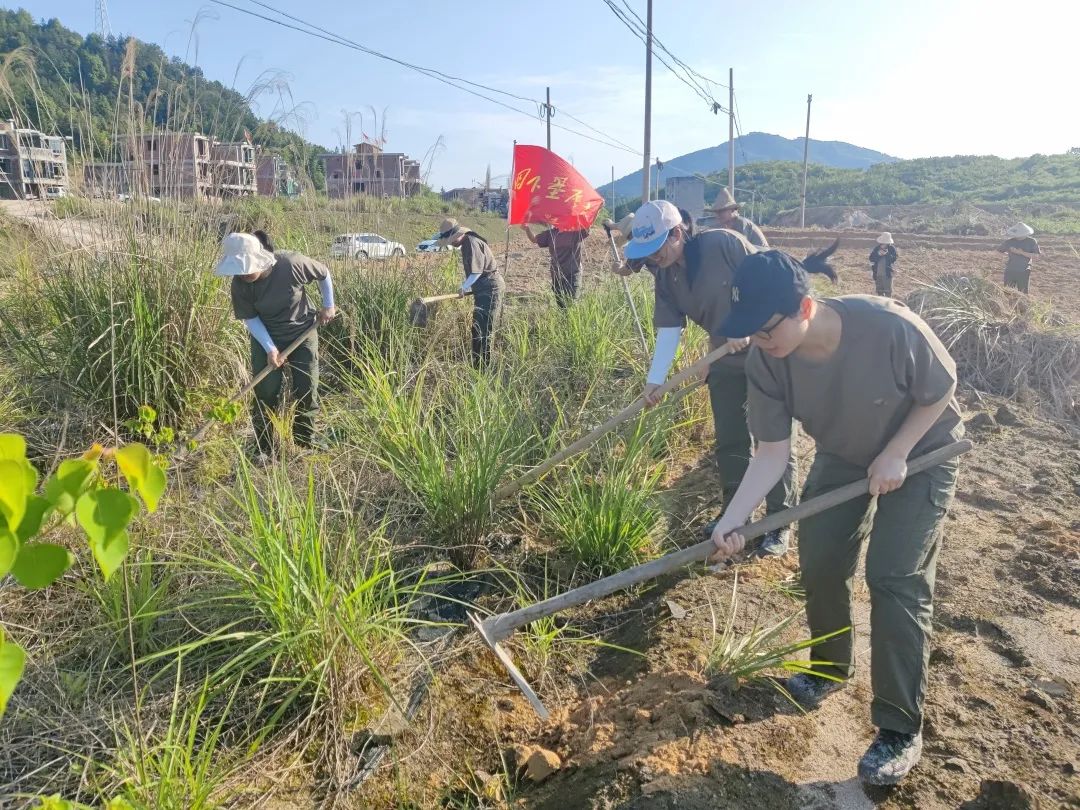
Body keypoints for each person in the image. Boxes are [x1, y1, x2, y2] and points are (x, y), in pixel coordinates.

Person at [707, 245, 964, 786]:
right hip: (845, 453)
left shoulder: (887, 325)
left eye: (766, 329)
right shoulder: (766, 360)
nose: (759, 341)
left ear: (803, 308)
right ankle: (828, 669)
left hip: (921, 451)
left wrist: (897, 452)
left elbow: (942, 388)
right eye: (750, 331)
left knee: (894, 576)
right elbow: (772, 453)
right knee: (820, 556)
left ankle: (899, 727)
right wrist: (732, 518)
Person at [622, 200, 797, 556]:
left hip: (766, 351)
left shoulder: (723, 243)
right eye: (648, 254)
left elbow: (768, 278)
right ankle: (735, 516)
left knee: (771, 439)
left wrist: (748, 319)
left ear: (677, 233)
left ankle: (780, 523)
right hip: (725, 359)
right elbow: (669, 329)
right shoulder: (665, 277)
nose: (655, 259)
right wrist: (655, 380)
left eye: (658, 249)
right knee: (730, 441)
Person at [215, 230, 335, 461]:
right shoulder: (239, 285)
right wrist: (270, 348)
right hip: (265, 338)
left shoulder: (290, 264)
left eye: (248, 268)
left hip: (302, 332)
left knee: (307, 386)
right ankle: (264, 447)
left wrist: (328, 305)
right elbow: (251, 318)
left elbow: (323, 273)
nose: (244, 274)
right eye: (239, 270)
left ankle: (304, 439)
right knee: (266, 391)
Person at [435, 218, 505, 367]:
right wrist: (467, 286)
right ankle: (476, 363)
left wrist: (464, 287)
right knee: (476, 328)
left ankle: (485, 367)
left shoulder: (471, 242)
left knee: (485, 329)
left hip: (490, 288)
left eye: (452, 240)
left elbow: (476, 272)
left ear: (458, 234)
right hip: (482, 289)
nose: (451, 243)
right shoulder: (466, 244)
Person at [521, 221, 589, 306]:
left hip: (573, 273)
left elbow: (587, 225)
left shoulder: (575, 231)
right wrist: (527, 228)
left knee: (571, 304)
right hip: (557, 275)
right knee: (561, 306)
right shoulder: (551, 234)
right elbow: (534, 239)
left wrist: (596, 209)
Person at [996, 223, 1040, 293]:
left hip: (1024, 271)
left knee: (1023, 293)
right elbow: (998, 252)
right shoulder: (1009, 242)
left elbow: (1036, 256)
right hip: (1010, 270)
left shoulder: (1031, 242)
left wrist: (1021, 252)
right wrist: (1008, 254)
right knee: (1008, 292)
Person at [869, 232, 898, 297]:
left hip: (887, 274)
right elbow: (871, 258)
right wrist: (878, 255)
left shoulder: (891, 249)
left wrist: (887, 254)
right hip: (877, 273)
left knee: (888, 291)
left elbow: (894, 259)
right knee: (879, 292)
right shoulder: (877, 248)